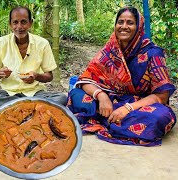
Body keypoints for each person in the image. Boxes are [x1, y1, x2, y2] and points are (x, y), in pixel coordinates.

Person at [67, 7, 176, 146]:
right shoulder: (110, 50)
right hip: (112, 100)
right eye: (120, 22)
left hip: (140, 105)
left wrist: (127, 108)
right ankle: (114, 121)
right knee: (76, 94)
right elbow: (85, 80)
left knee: (160, 117)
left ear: (138, 27)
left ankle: (103, 119)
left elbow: (162, 96)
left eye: (130, 23)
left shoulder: (153, 53)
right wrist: (102, 96)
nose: (124, 27)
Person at [0, 6, 67, 112]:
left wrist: (36, 76)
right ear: (10, 24)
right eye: (15, 22)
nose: (19, 27)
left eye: (24, 22)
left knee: (61, 98)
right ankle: (27, 107)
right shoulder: (1, 43)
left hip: (34, 93)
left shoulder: (42, 43)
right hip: (8, 93)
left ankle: (8, 107)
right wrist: (0, 73)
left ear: (30, 23)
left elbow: (49, 76)